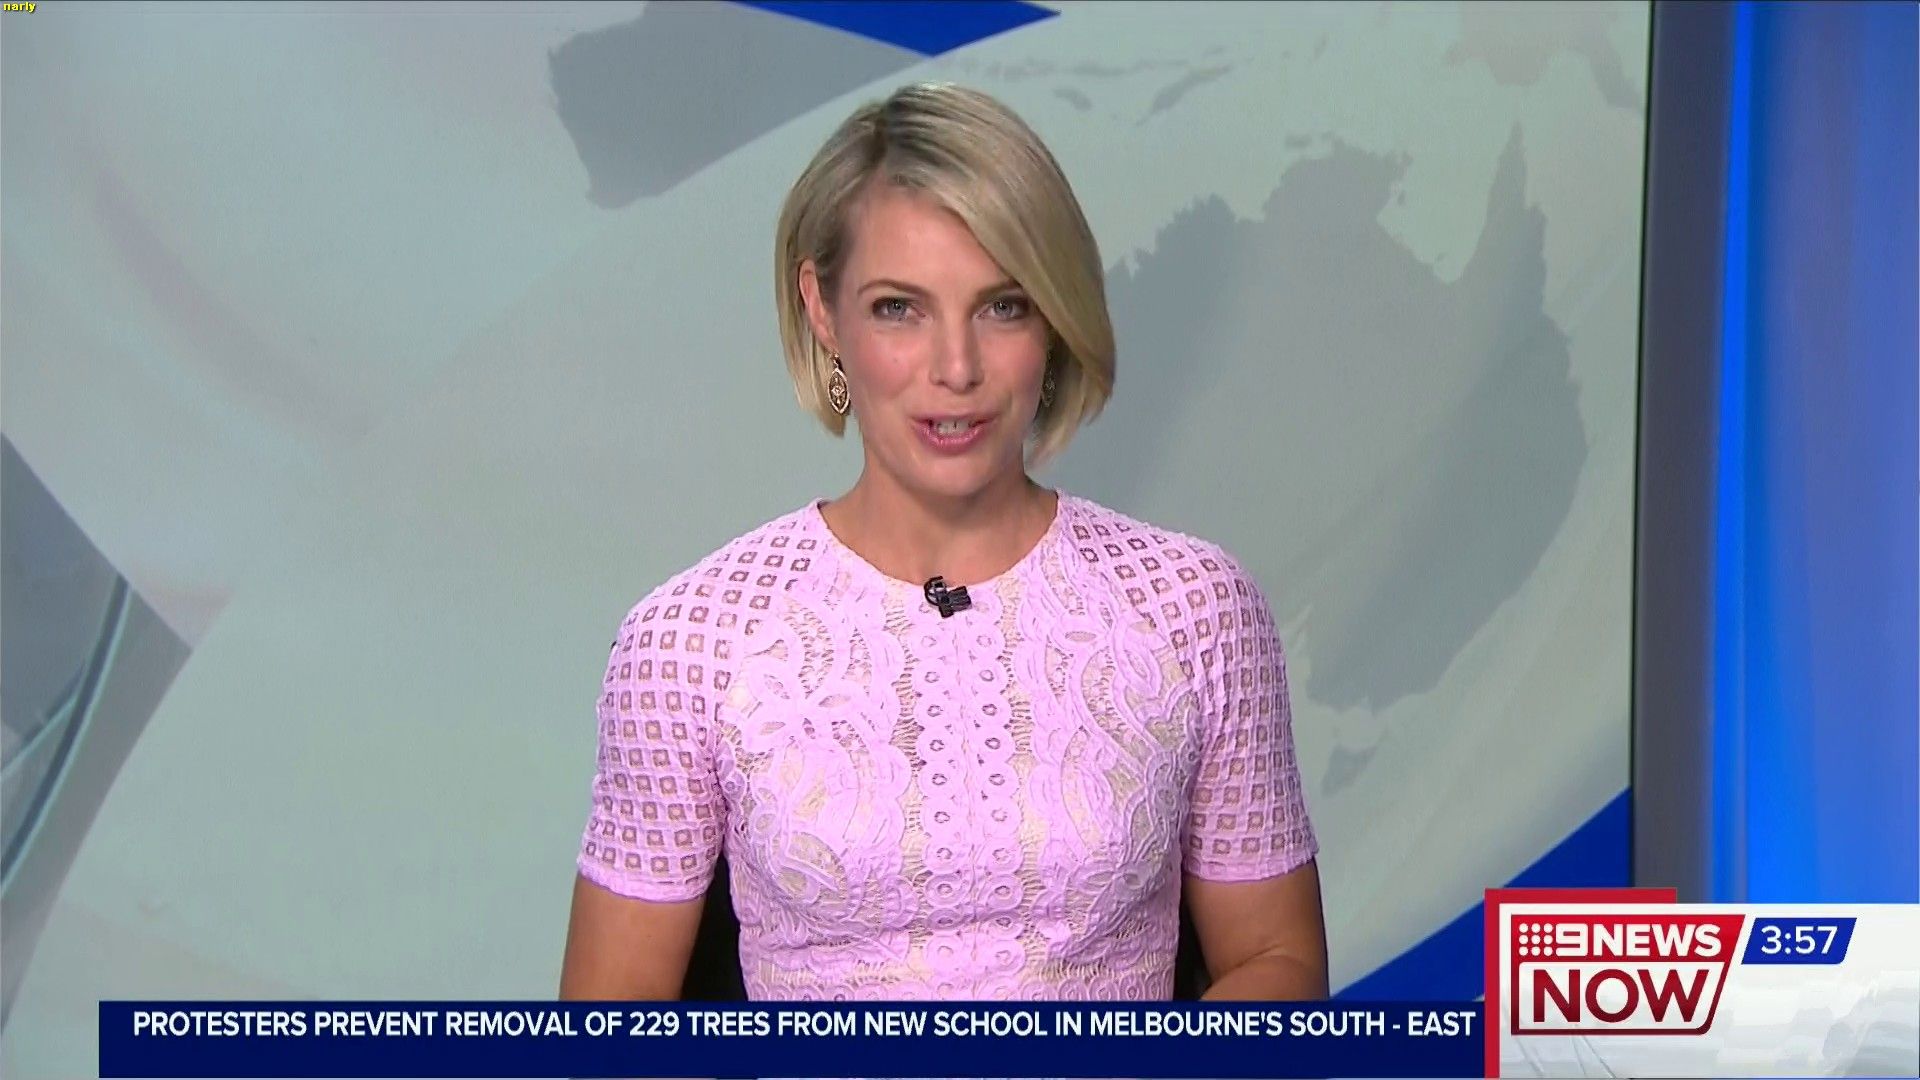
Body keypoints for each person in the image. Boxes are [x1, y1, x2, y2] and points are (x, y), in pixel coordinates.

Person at [559, 82, 1325, 1002]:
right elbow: (609, 1035)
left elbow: (1279, 965)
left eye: (1003, 307)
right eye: (899, 308)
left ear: (1053, 318)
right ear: (822, 309)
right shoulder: (694, 639)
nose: (956, 368)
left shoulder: (1193, 607)